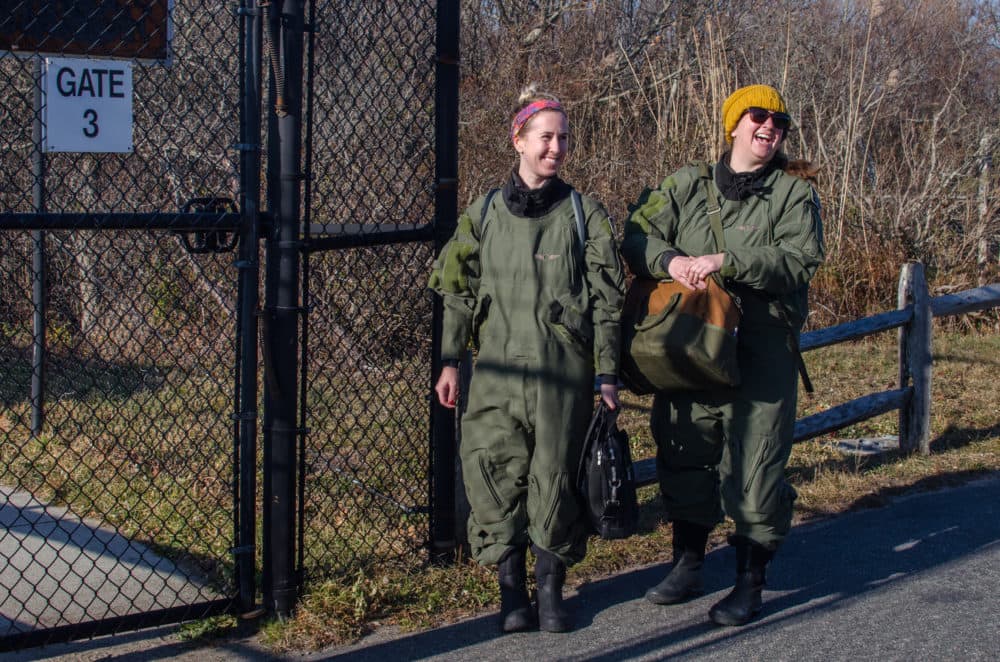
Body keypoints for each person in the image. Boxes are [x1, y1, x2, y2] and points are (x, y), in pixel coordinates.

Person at [621, 84, 824, 626]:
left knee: (755, 467)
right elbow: (635, 235)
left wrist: (724, 260)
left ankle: (748, 582)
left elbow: (798, 261)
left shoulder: (792, 195)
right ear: (733, 123)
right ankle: (687, 564)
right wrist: (669, 262)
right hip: (692, 347)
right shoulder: (686, 185)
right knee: (685, 450)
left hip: (761, 351)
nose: (769, 127)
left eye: (779, 121)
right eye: (758, 116)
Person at [429, 84, 625, 633]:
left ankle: (550, 587)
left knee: (556, 475)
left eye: (563, 138)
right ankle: (510, 591)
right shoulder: (483, 213)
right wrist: (449, 362)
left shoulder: (585, 215)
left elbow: (608, 301)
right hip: (494, 375)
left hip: (562, 378)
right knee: (494, 471)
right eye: (546, 137)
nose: (556, 148)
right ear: (518, 140)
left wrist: (607, 375)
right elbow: (456, 290)